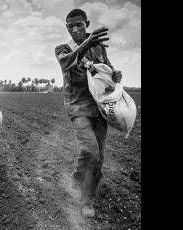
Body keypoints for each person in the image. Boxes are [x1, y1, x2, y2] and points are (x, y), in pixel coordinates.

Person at [54, 9, 123, 217]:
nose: (75, 30)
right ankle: (76, 177)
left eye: (79, 25)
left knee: (99, 160)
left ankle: (87, 201)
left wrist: (115, 74)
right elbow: (66, 63)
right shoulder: (62, 48)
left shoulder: (99, 47)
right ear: (67, 28)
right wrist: (87, 43)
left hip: (100, 107)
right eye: (70, 26)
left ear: (87, 24)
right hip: (78, 106)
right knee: (90, 150)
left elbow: (107, 70)